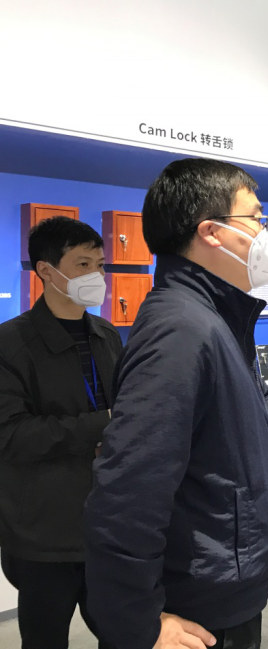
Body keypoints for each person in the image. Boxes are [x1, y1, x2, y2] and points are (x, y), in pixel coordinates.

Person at [84, 159, 268, 649]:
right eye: (256, 219)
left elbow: (253, 422)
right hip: (195, 605)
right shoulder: (181, 331)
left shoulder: (215, 318)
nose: (265, 233)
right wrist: (140, 625)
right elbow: (127, 492)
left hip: (223, 586)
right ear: (213, 232)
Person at [0, 217, 119, 649]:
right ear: (46, 271)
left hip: (108, 523)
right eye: (82, 264)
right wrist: (104, 423)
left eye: (100, 265)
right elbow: (12, 435)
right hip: (43, 535)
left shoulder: (107, 335)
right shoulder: (10, 344)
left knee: (123, 632)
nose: (96, 276)